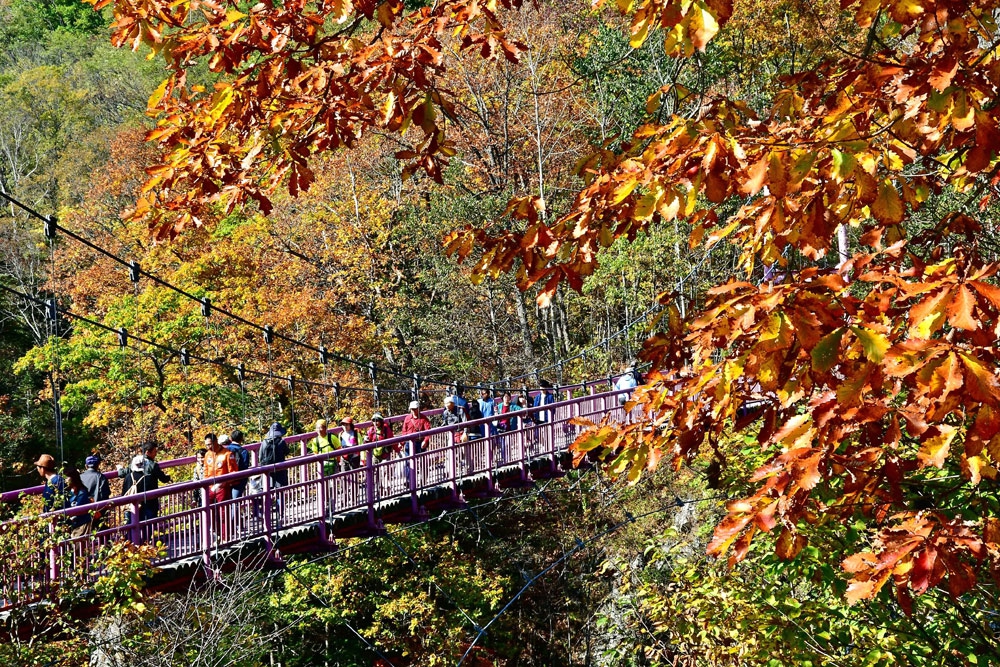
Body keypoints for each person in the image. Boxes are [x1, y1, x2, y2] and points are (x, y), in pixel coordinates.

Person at [121, 441, 171, 522]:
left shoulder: (128, 476)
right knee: (148, 525)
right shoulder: (150, 472)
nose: (156, 454)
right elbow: (163, 479)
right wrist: (168, 477)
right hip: (149, 504)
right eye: (155, 451)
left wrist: (120, 469)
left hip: (130, 506)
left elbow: (123, 491)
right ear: (148, 452)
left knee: (130, 526)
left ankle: (131, 535)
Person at [80, 454, 110, 529]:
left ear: (86, 466)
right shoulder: (101, 477)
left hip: (82, 511)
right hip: (98, 510)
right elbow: (105, 494)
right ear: (97, 466)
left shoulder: (80, 477)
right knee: (102, 531)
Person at [63, 466, 93, 537]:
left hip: (82, 524)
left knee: (78, 546)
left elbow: (78, 509)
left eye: (67, 477)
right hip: (71, 525)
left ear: (73, 477)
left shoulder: (82, 493)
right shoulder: (67, 492)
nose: (65, 480)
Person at [259, 422, 289, 488]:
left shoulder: (264, 442)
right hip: (280, 469)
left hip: (267, 469)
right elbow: (287, 452)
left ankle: (268, 498)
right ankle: (280, 498)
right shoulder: (282, 442)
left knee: (267, 489)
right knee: (280, 491)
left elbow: (260, 457)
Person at [225, 430, 252, 498]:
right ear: (241, 439)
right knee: (235, 500)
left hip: (226, 479)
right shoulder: (243, 451)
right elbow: (245, 467)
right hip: (239, 479)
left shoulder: (225, 450)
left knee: (226, 502)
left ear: (231, 438)